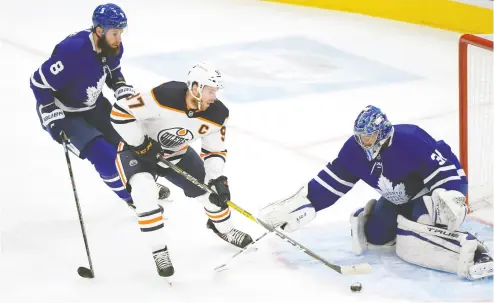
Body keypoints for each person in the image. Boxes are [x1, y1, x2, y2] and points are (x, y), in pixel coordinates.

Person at [259, 105, 493, 280]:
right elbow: (332, 182)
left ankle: (474, 251)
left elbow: (444, 167)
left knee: (418, 229)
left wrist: (451, 194)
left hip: (436, 191)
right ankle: (407, 227)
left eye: (368, 136)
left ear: (382, 133)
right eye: (360, 136)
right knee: (375, 237)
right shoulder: (355, 150)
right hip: (400, 196)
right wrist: (304, 204)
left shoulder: (410, 139)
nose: (363, 141)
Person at [110, 62, 254, 278]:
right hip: (136, 152)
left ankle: (224, 229)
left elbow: (214, 151)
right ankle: (159, 250)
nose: (214, 97)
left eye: (216, 91)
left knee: (211, 193)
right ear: (195, 87)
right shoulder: (163, 96)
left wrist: (216, 178)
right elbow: (120, 112)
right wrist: (141, 144)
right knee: (144, 193)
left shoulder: (217, 114)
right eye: (210, 90)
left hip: (177, 153)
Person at [30, 3, 168, 209]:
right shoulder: (73, 51)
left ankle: (142, 186)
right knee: (104, 155)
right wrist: (50, 111)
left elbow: (113, 71)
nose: (119, 39)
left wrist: (119, 84)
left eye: (121, 32)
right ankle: (132, 198)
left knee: (128, 143)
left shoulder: (113, 45)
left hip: (94, 105)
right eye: (115, 33)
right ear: (99, 30)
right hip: (65, 114)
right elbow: (38, 82)